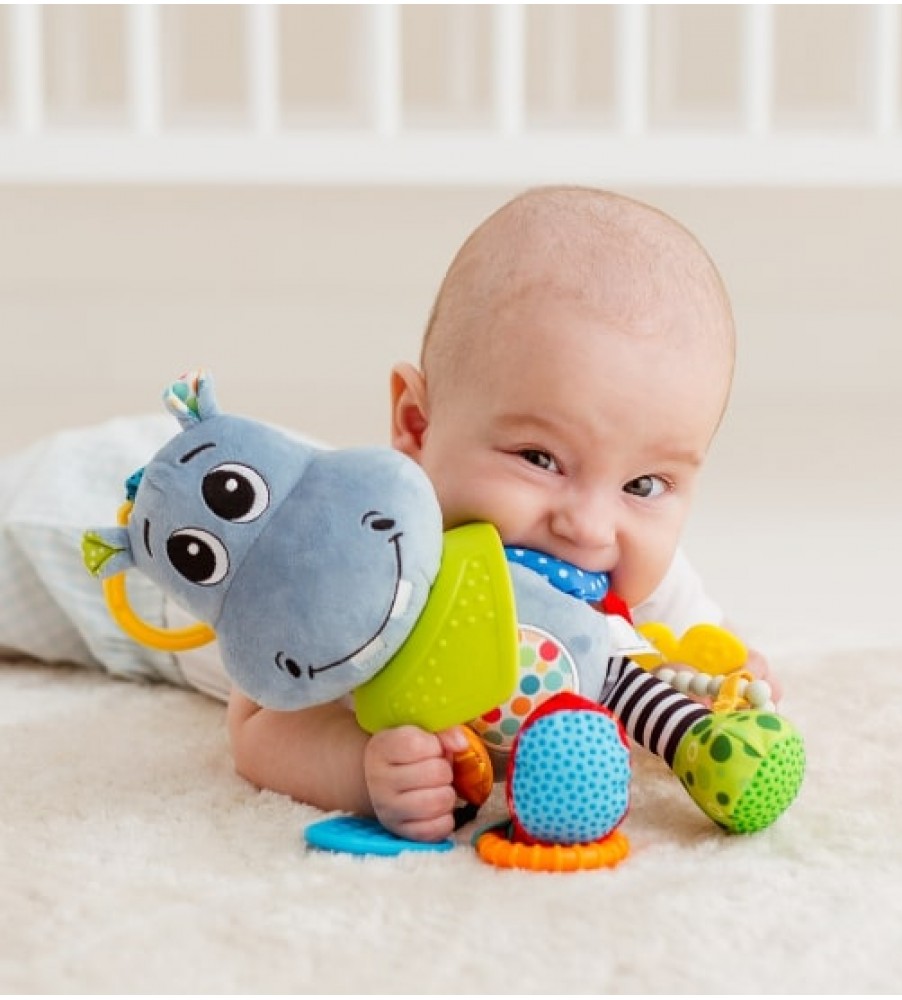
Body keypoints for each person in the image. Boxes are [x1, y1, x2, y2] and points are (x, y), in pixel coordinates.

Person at [0, 185, 775, 843]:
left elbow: (701, 652)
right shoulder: (348, 571)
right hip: (94, 533)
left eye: (645, 485)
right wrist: (362, 770)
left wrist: (729, 685)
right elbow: (260, 730)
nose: (590, 527)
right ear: (417, 424)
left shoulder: (616, 575)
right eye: (540, 459)